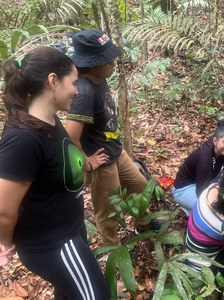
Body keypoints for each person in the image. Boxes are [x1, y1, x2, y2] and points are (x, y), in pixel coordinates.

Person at [0, 46, 109, 299]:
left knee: (69, 292)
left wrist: (88, 164)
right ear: (52, 81)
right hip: (52, 243)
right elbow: (4, 208)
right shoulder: (23, 138)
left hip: (69, 231)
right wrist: (5, 243)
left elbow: (62, 161)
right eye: (73, 82)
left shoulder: (50, 119)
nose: (77, 89)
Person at [65, 29, 147, 246]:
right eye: (106, 59)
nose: (112, 62)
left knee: (140, 186)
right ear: (92, 63)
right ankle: (114, 251)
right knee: (107, 213)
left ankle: (142, 225)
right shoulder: (84, 92)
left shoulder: (99, 79)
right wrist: (87, 163)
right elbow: (70, 134)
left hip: (115, 150)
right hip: (101, 161)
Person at [173, 119, 224, 213]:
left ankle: (192, 206)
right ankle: (189, 205)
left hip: (206, 178)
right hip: (184, 189)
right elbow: (201, 192)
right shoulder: (205, 159)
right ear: (215, 140)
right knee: (213, 209)